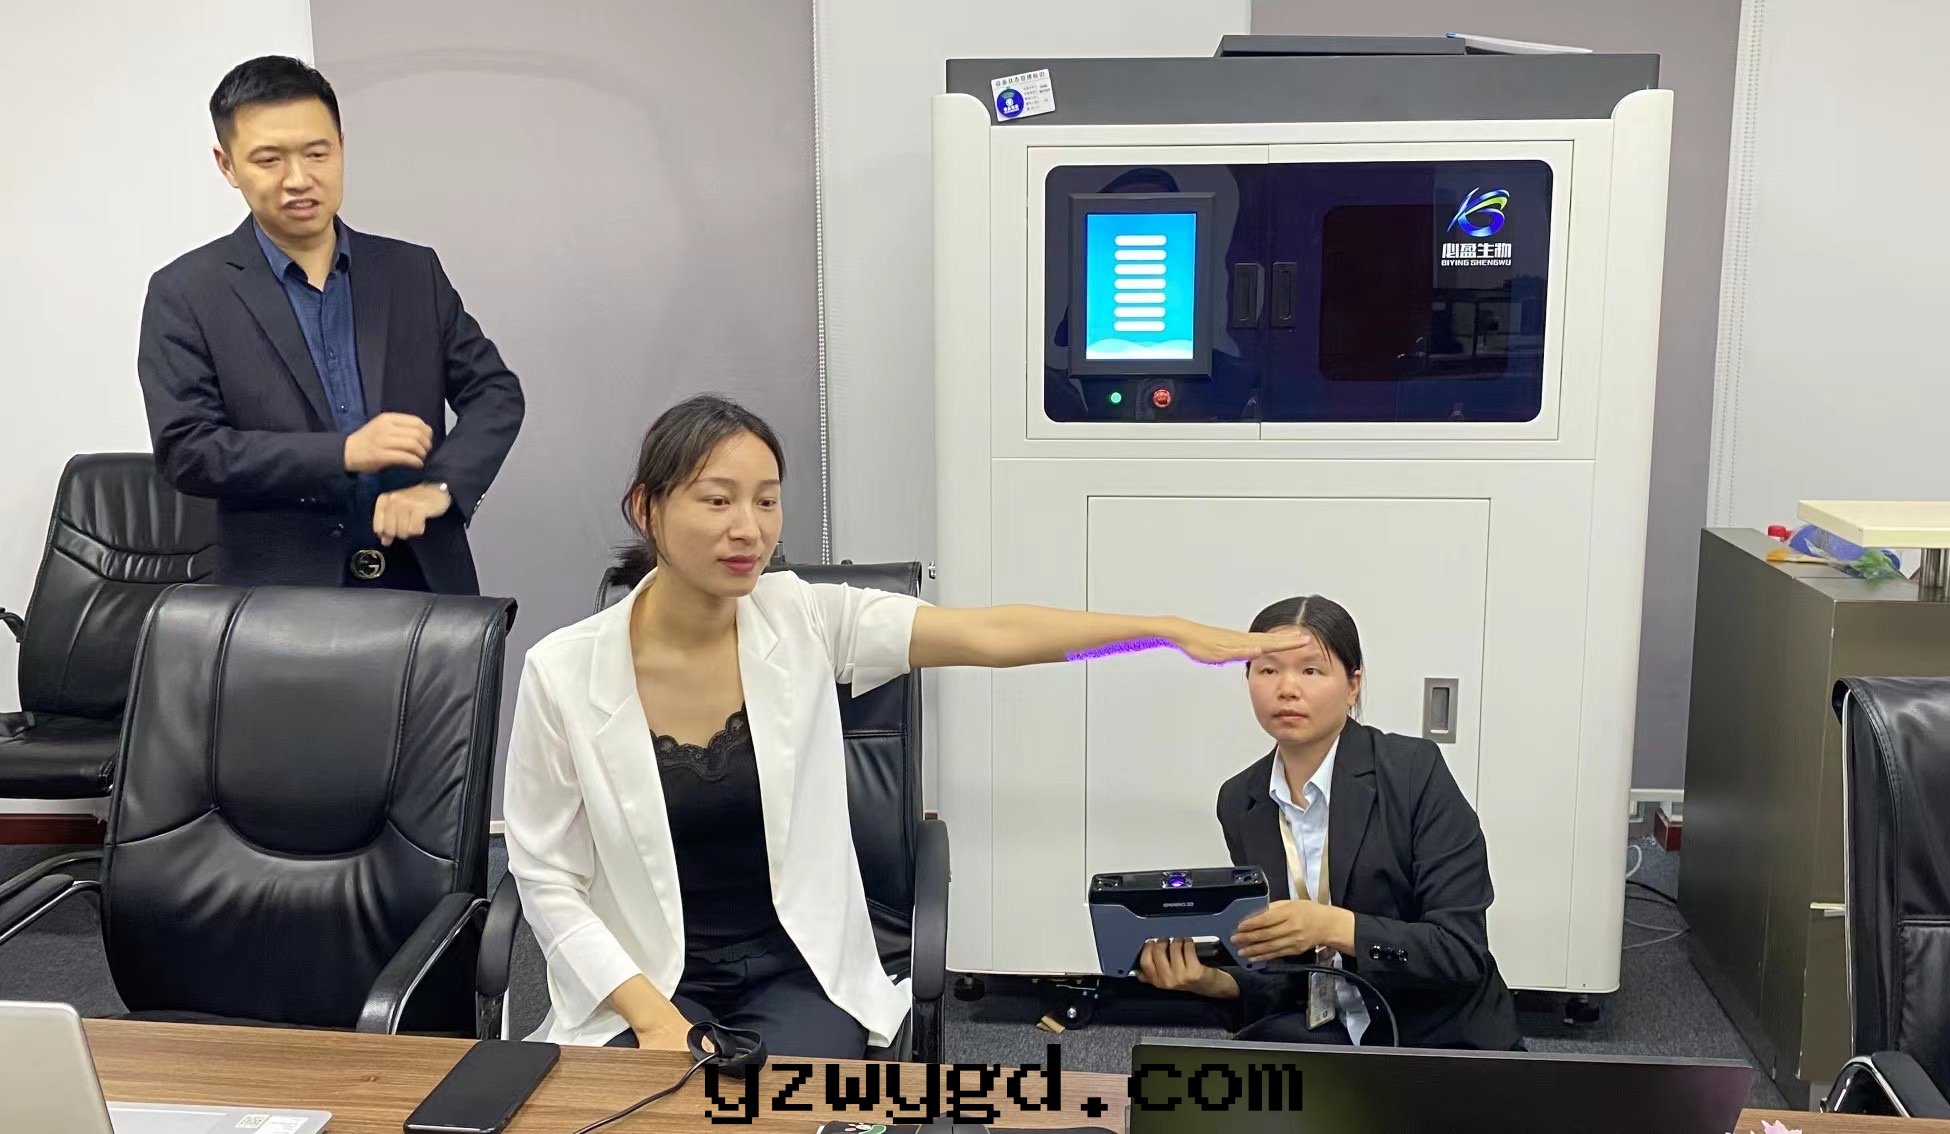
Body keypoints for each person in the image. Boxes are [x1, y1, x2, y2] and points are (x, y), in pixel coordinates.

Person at [501, 394, 1309, 1057]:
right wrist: (651, 1017)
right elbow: (546, 876)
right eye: (717, 501)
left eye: (767, 500)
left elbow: (992, 634)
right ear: (646, 508)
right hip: (641, 978)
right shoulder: (564, 672)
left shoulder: (802, 618)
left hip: (797, 970)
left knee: (793, 1114)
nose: (749, 528)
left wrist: (1160, 630)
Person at [137, 56, 523, 594]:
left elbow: (495, 392)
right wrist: (341, 454)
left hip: (425, 584)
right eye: (269, 159)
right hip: (282, 598)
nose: (299, 180)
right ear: (227, 166)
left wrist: (442, 486)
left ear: (341, 145)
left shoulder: (411, 271)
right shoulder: (186, 292)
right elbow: (188, 450)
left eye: (317, 153)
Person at [1134, 595, 1523, 1050]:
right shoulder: (1242, 800)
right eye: (1268, 670)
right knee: (1179, 1080)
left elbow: (1459, 950)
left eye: (1311, 670)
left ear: (1353, 685)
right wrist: (1211, 981)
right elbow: (1285, 975)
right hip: (1328, 1030)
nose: (1287, 688)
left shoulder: (1413, 771)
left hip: (1437, 1033)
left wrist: (1332, 927)